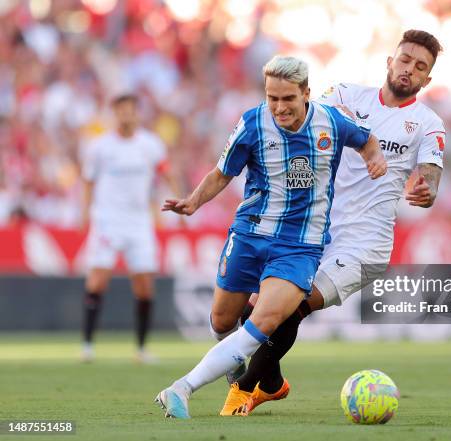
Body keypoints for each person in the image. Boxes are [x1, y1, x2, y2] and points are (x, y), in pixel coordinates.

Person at [221, 29, 445, 415]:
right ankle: (272, 384)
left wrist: (426, 189)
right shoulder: (343, 95)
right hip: (315, 231)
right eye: (405, 59)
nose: (410, 69)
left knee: (293, 307)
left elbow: (431, 173)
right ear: (389, 62)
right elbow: (309, 123)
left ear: (427, 79)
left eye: (420, 66)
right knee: (253, 311)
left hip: (365, 243)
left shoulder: (427, 123)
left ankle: (242, 391)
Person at [154, 55, 387, 419]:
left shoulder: (332, 123)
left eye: (287, 99)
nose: (279, 107)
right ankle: (269, 383)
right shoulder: (252, 124)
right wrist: (192, 202)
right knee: (221, 323)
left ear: (306, 93)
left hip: (299, 246)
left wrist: (375, 159)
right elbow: (221, 173)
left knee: (263, 322)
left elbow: (367, 140)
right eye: (272, 98)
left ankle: (182, 388)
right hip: (249, 234)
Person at [80, 94, 181, 363]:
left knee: (145, 286)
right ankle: (87, 345)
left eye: (131, 111)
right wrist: (85, 213)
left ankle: (141, 348)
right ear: (114, 114)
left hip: (139, 222)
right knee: (97, 280)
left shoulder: (150, 145)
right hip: (107, 220)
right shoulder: (100, 147)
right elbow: (88, 182)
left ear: (138, 113)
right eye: (121, 111)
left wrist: (181, 204)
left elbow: (167, 173)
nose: (126, 115)